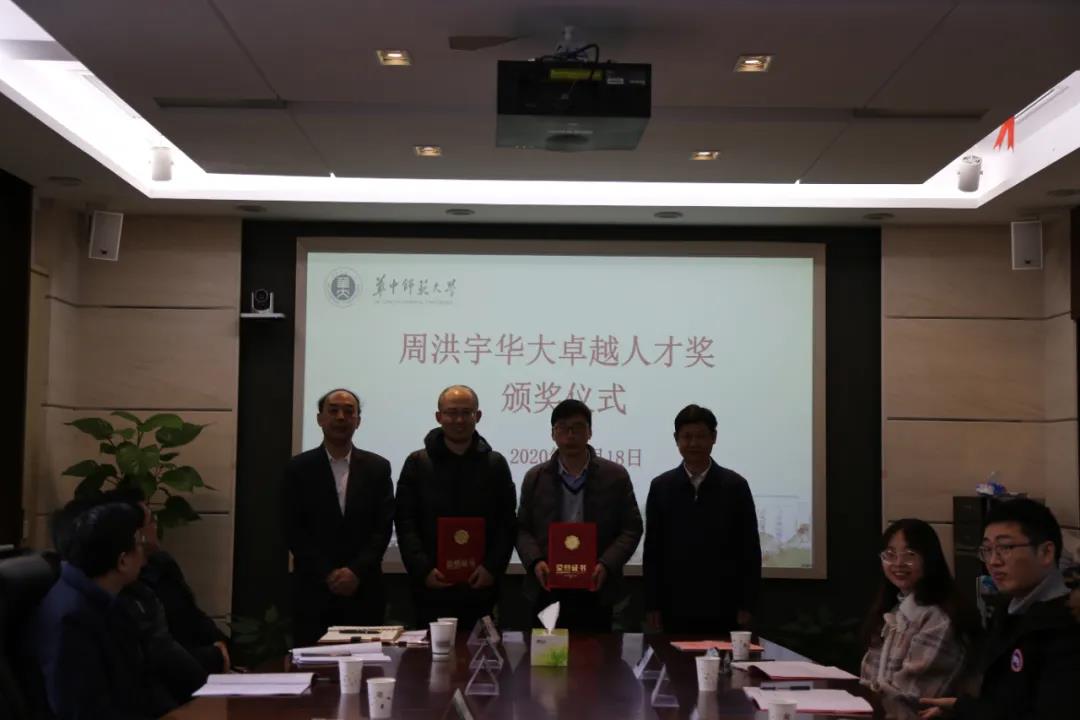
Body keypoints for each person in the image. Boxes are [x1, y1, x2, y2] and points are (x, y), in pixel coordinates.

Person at [920, 499, 1080, 719]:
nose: (994, 561)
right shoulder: (1006, 612)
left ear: (1046, 552)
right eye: (987, 549)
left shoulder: (1067, 627)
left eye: (1005, 548)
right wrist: (959, 710)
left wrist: (965, 709)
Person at [28, 502, 176, 719]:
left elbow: (141, 685)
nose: (144, 553)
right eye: (138, 543)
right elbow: (84, 712)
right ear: (122, 561)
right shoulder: (72, 620)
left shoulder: (105, 601)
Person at [395, 385, 517, 628]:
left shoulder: (495, 464)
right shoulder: (417, 463)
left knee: (479, 651)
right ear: (439, 416)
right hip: (431, 586)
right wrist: (423, 569)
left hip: (481, 586)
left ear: (477, 416)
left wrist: (491, 568)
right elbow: (405, 521)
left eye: (466, 413)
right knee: (430, 651)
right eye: (451, 413)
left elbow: (507, 521)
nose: (459, 420)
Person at [516, 399, 643, 632]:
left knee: (598, 653)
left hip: (598, 586)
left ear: (590, 432)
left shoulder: (615, 476)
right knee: (548, 654)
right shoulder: (535, 477)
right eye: (563, 428)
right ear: (553, 433)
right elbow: (521, 528)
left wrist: (606, 564)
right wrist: (535, 561)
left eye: (578, 427)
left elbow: (631, 528)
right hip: (548, 587)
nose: (570, 435)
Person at [283, 388, 395, 645]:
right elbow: (292, 529)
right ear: (320, 419)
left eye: (348, 411)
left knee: (367, 664)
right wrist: (327, 573)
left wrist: (355, 571)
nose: (341, 417)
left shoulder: (377, 467)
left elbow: (382, 528)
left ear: (358, 420)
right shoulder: (298, 468)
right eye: (333, 411)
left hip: (364, 589)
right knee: (314, 665)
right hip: (314, 590)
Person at [643, 404, 761, 634]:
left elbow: (749, 548)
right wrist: (652, 604)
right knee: (674, 657)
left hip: (724, 602)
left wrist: (747, 603)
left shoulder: (735, 486)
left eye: (701, 436)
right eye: (687, 437)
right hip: (674, 602)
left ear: (713, 438)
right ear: (676, 439)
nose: (694, 443)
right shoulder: (661, 486)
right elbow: (653, 550)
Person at [859, 519, 979, 711]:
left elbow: (914, 697)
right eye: (890, 554)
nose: (898, 563)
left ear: (929, 559)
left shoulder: (939, 618)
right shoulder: (893, 609)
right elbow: (868, 678)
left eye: (910, 555)